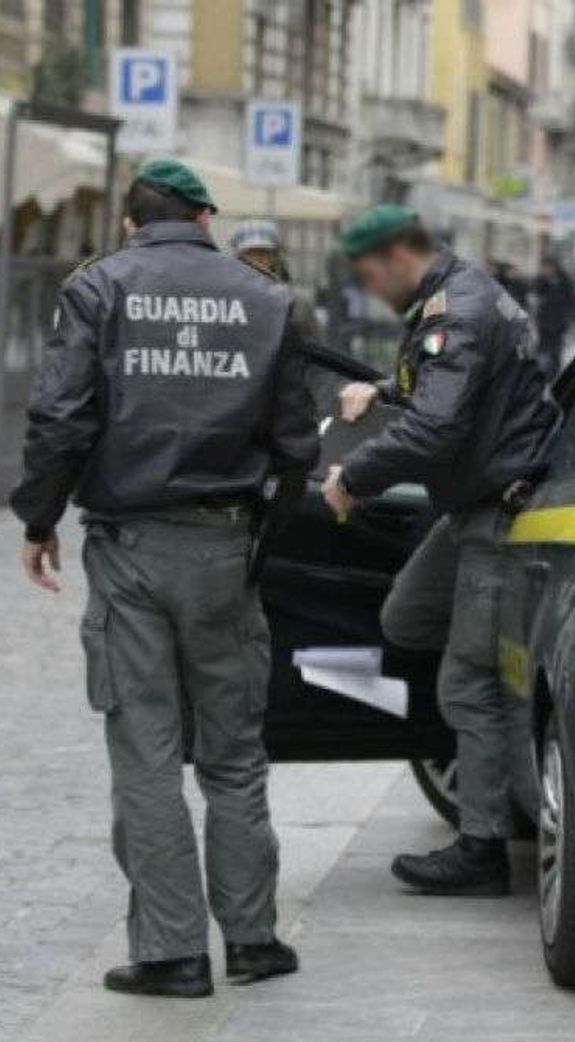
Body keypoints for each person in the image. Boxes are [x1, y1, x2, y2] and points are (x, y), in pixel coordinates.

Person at [9, 159, 317, 997]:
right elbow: (297, 448)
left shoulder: (99, 288)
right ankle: (253, 941)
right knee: (234, 756)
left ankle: (173, 953)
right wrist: (262, 541)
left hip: (132, 549)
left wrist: (38, 519)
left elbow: (62, 416)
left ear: (128, 223)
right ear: (209, 217)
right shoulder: (265, 299)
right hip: (224, 547)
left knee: (145, 752)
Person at [321, 204, 558, 894]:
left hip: (499, 517)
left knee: (470, 682)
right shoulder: (455, 299)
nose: (371, 290)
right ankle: (493, 744)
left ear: (398, 255)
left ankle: (483, 844)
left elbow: (438, 428)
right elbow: (447, 396)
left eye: (370, 275)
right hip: (469, 512)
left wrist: (354, 477)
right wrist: (384, 389)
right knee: (405, 618)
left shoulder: (456, 311)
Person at [229, 219, 321, 343]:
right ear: (238, 257)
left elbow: (313, 345)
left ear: (275, 257)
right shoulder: (227, 298)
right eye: (250, 253)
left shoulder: (296, 302)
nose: (257, 260)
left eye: (264, 253)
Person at [531, 255, 575, 378]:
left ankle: (553, 375)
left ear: (554, 267)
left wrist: (568, 317)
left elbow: (571, 301)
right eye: (544, 267)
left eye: (547, 267)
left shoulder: (565, 281)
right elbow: (535, 296)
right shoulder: (541, 281)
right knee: (542, 349)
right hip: (544, 321)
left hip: (559, 322)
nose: (545, 270)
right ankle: (540, 374)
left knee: (556, 350)